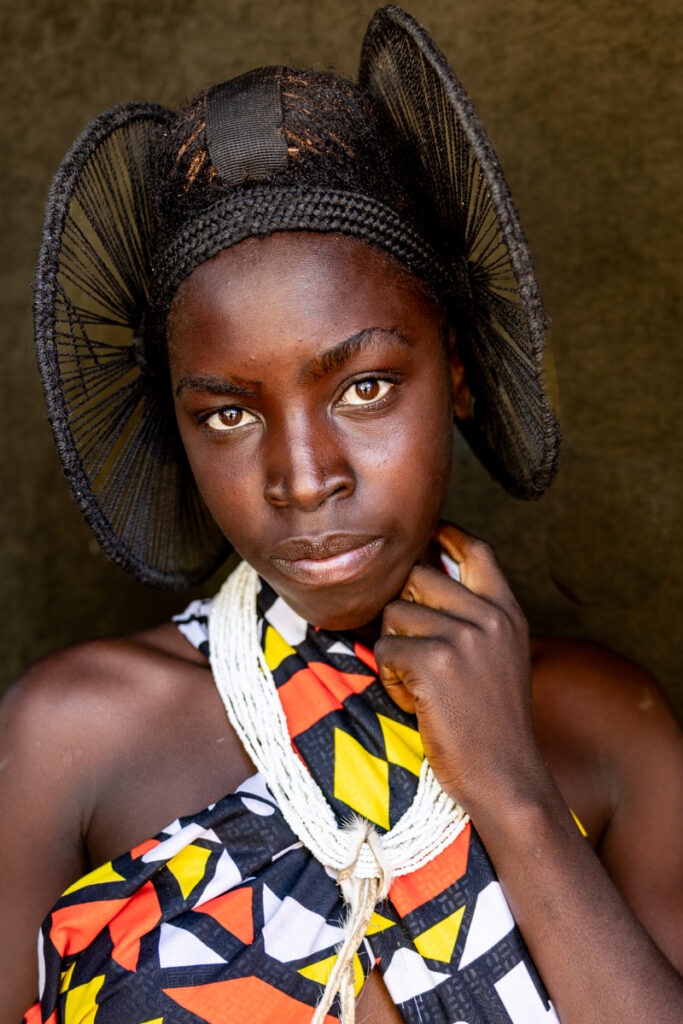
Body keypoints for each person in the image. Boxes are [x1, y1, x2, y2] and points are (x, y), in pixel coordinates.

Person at [1, 6, 681, 1023]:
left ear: (452, 371)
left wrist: (510, 790)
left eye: (361, 387)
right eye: (228, 412)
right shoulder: (75, 734)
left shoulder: (600, 728)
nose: (302, 476)